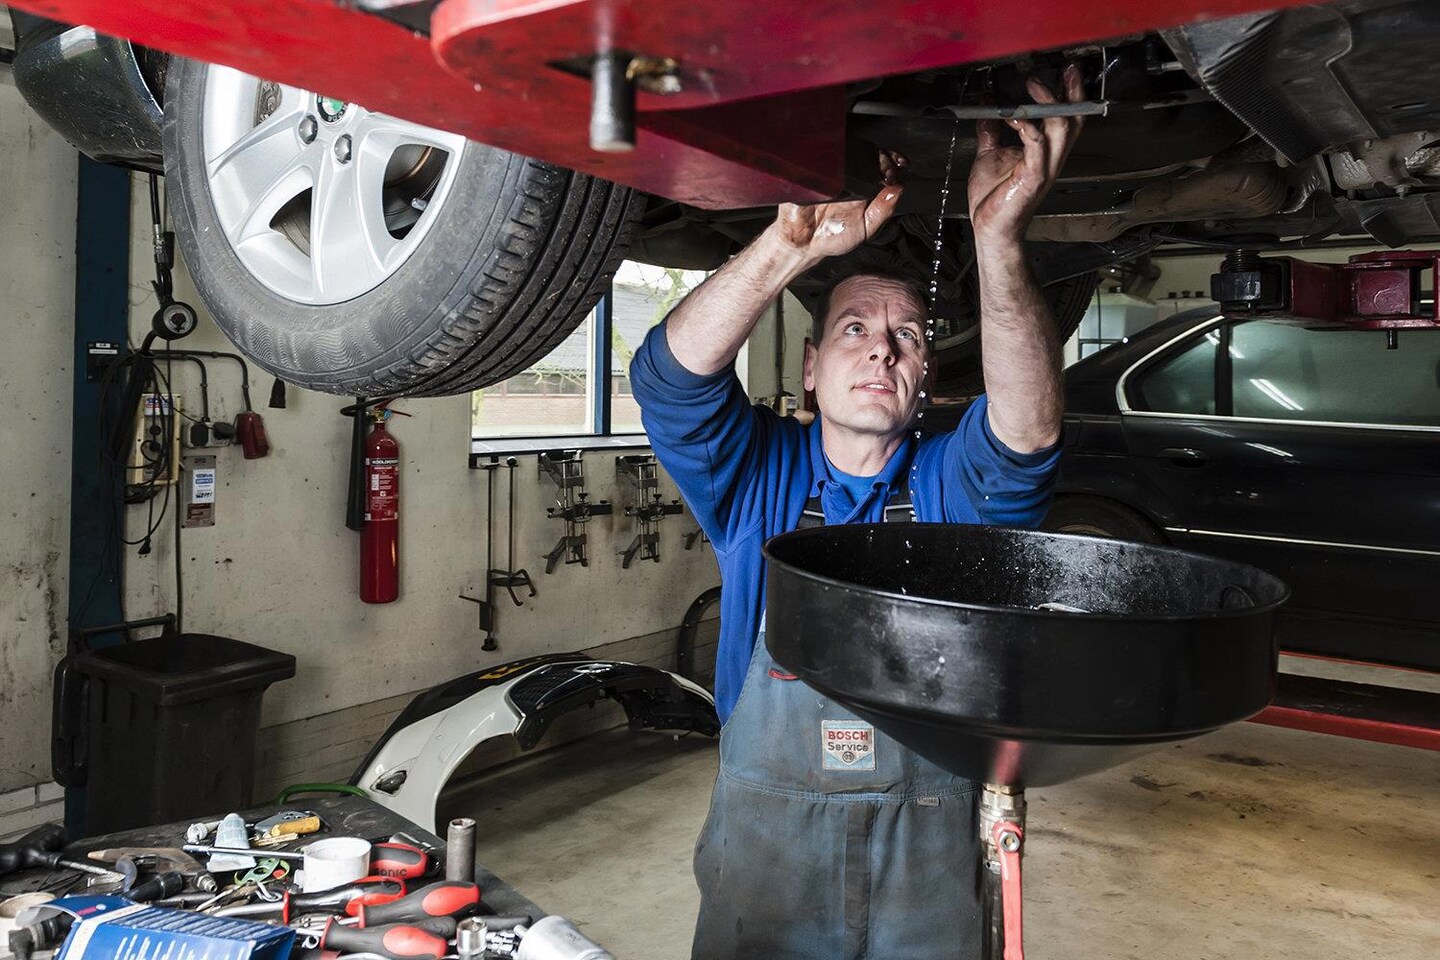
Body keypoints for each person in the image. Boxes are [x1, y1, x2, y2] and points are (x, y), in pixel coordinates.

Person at [630, 66, 1087, 960]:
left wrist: (998, 240)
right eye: (854, 330)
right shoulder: (757, 478)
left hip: (929, 863)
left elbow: (1027, 431)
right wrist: (788, 246)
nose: (881, 349)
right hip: (767, 856)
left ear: (925, 381)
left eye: (906, 336)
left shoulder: (951, 488)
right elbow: (669, 380)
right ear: (809, 370)